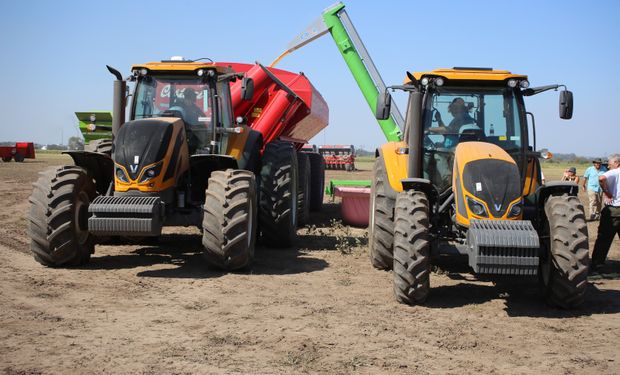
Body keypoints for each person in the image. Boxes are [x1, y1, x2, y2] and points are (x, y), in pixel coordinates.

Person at [591, 154, 620, 270]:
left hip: (614, 210)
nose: (608, 166)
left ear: (617, 163)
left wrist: (606, 192)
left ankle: (597, 263)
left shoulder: (616, 172)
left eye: (609, 164)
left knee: (604, 237)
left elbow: (601, 178)